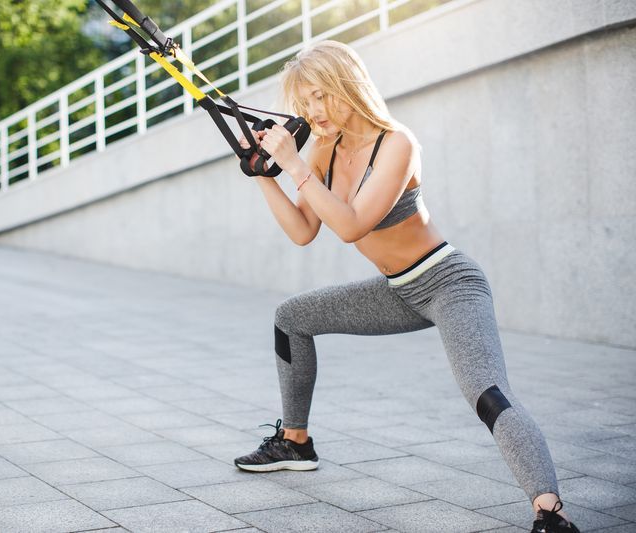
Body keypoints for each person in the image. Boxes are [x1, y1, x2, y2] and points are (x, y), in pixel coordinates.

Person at [232, 40, 580, 533]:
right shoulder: (326, 149)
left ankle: (549, 510)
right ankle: (295, 442)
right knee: (292, 318)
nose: (312, 112)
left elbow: (351, 225)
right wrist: (262, 174)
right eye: (303, 102)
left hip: (448, 281)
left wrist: (295, 167)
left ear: (346, 85)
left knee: (486, 392)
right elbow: (303, 231)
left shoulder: (396, 142)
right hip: (398, 289)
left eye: (319, 96)